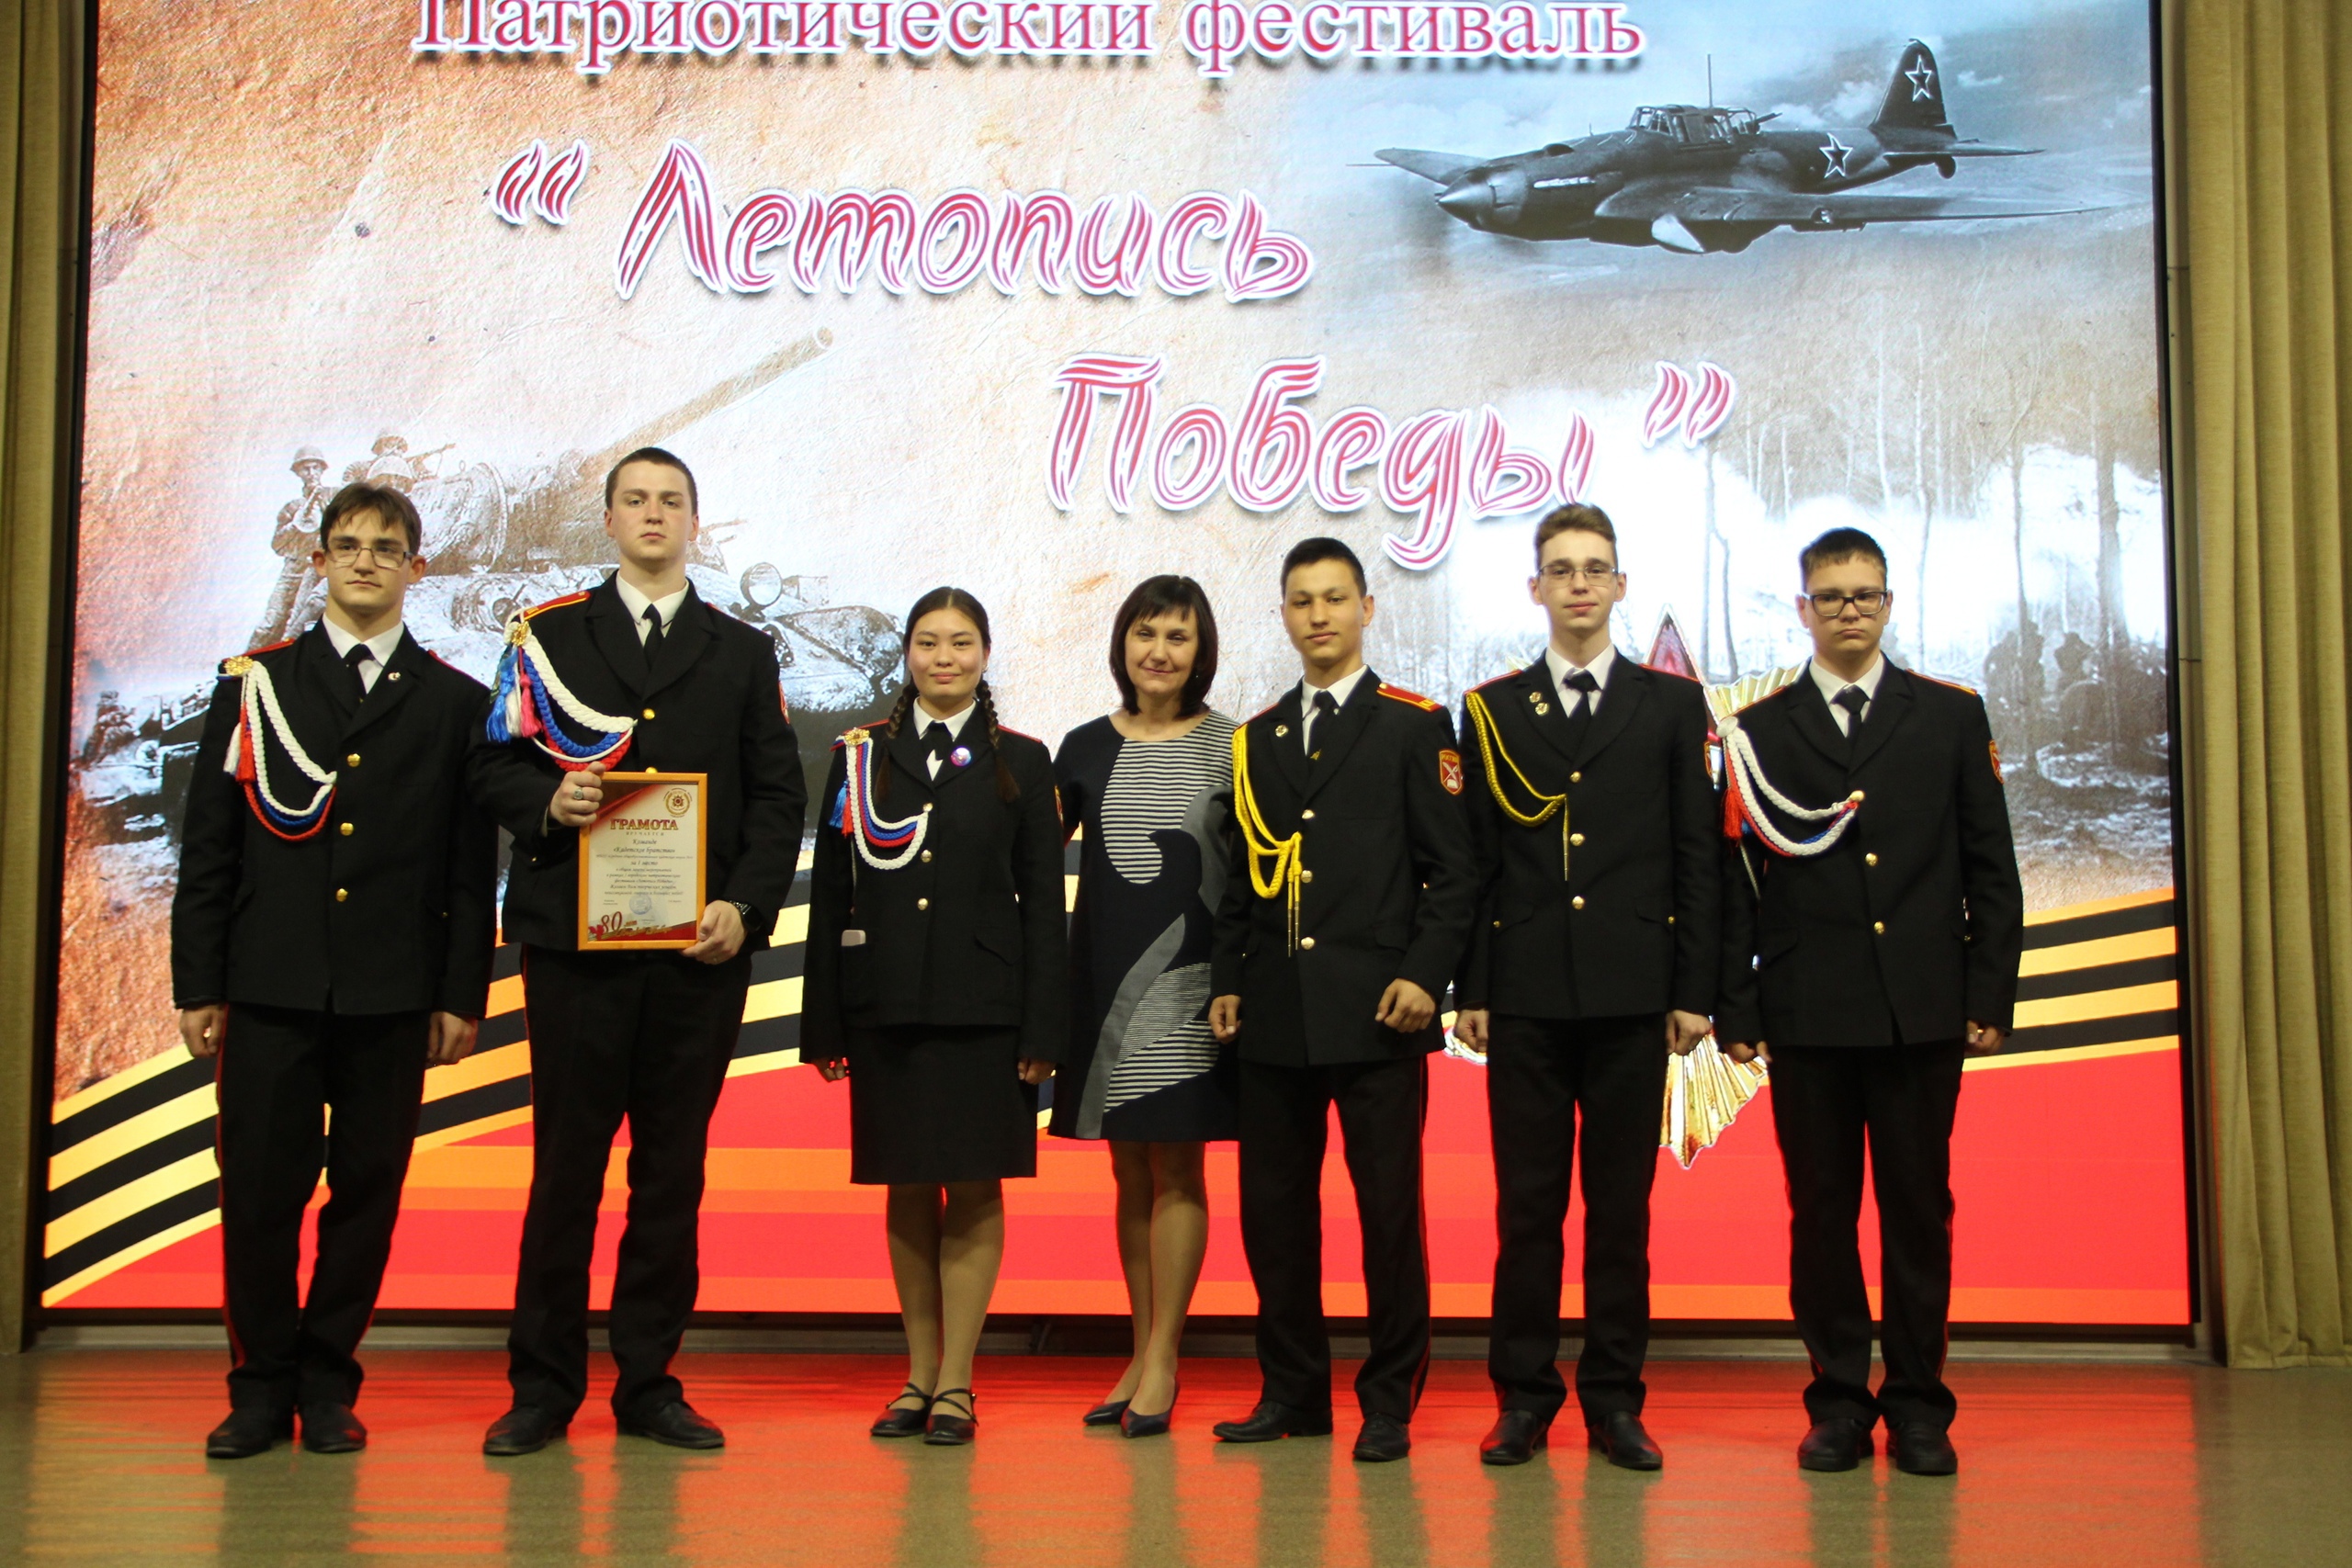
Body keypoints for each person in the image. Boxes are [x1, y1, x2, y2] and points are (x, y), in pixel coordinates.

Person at [466, 447, 805, 1457]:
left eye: (671, 501)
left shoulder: (743, 650)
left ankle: (650, 1383)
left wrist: (746, 906)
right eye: (635, 500)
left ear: (694, 523)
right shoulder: (547, 636)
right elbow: (490, 763)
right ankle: (541, 1389)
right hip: (576, 953)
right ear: (609, 520)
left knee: (671, 1175)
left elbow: (778, 795)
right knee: (564, 1172)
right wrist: (548, 800)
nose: (653, 515)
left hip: (698, 955)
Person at [172, 482, 496, 1459]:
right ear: (317, 562)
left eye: (386, 547)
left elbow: (466, 866)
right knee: (258, 1196)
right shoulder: (256, 685)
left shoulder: (455, 701)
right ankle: (257, 1388)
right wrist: (199, 983)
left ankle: (326, 1384)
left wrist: (458, 993)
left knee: (366, 1196)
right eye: (347, 545)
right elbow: (210, 849)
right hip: (270, 986)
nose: (365, 561)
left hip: (391, 994)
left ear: (417, 568)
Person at [1714, 526, 2023, 1478]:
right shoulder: (1758, 731)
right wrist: (1738, 1009)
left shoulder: (1949, 715)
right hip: (1808, 1012)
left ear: (1888, 604)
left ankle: (1920, 1406)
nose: (1849, 610)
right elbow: (1735, 887)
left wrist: (1988, 992)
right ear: (1802, 609)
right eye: (1831, 596)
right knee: (1821, 1216)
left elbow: (1991, 867)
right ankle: (1839, 1404)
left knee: (1917, 1213)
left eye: (1865, 595)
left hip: (1919, 1011)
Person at [1453, 503, 1720, 1470]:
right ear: (1536, 588)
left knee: (1620, 1213)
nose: (1577, 584)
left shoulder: (1670, 706)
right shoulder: (1491, 709)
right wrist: (1472, 986)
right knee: (1526, 1213)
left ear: (1619, 585)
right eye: (1560, 569)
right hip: (1524, 995)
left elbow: (1696, 856)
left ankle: (1613, 1401)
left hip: (1630, 994)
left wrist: (1693, 989)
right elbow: (1475, 861)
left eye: (1594, 568)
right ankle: (1523, 1398)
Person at [1207, 536, 1476, 1464]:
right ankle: (1292, 1392)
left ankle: (1389, 1399)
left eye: (1333, 598)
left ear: (1367, 607)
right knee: (1273, 1217)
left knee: (1388, 1217)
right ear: (1282, 615)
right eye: (1301, 600)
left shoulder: (1414, 724)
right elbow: (1242, 881)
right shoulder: (1256, 738)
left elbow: (1454, 871)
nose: (1318, 615)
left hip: (1379, 1012)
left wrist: (1425, 975)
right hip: (1275, 1014)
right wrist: (1229, 979)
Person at [802, 588, 1066, 1448]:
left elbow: (1043, 908)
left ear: (985, 654)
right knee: (907, 1184)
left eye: (960, 643)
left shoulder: (1022, 759)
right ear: (906, 653)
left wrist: (1043, 1029)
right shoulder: (859, 758)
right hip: (886, 1004)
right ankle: (918, 1374)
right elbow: (831, 894)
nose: (943, 658)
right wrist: (824, 1023)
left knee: (976, 1185)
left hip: (986, 1010)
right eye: (927, 642)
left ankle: (958, 1382)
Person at [1050, 575, 1238, 1438]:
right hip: (1104, 983)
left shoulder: (1232, 745)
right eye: (1145, 633)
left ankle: (1165, 1356)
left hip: (1197, 987)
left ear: (1201, 652)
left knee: (1180, 1169)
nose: (1158, 652)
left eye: (1178, 636)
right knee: (1128, 1170)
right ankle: (1139, 1350)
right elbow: (1028, 860)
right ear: (1122, 642)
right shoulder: (1083, 746)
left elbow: (1252, 876)